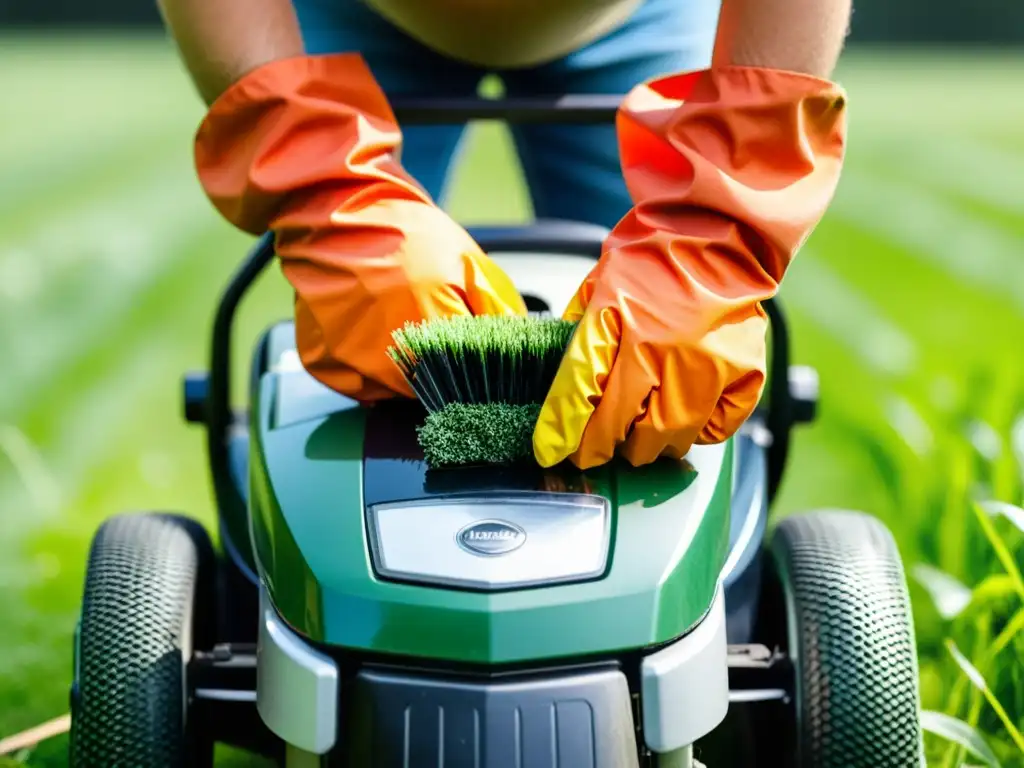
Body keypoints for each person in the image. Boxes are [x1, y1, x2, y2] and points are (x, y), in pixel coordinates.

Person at [160, 0, 850, 470]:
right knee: (361, 392)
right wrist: (322, 184)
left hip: (639, 14)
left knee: (661, 394)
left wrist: (713, 236)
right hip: (343, 17)